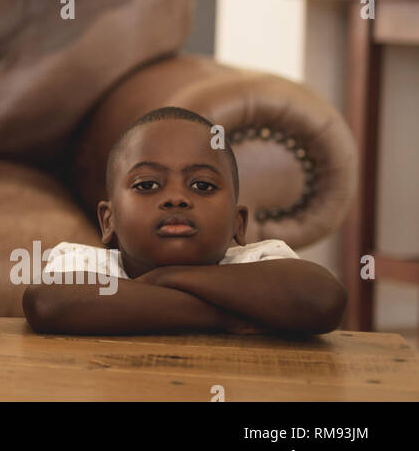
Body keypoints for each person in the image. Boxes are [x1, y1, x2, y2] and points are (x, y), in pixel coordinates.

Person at [22, 107, 347, 336]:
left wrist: (165, 278)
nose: (176, 198)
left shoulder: (256, 260)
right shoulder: (90, 263)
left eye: (202, 186)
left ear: (239, 223)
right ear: (109, 220)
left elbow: (323, 300)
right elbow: (49, 304)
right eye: (147, 185)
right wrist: (224, 316)